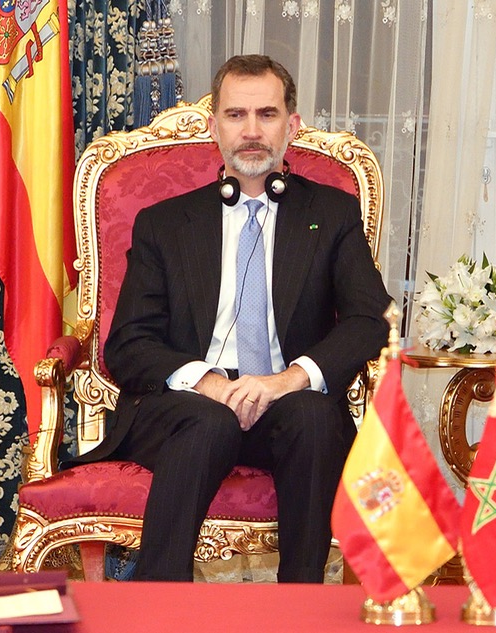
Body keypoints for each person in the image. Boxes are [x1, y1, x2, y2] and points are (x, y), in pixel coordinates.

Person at [73, 55, 391, 582]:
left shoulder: (331, 214)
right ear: (213, 125)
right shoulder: (164, 224)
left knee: (314, 417)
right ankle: (157, 600)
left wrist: (289, 379)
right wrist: (209, 383)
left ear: (292, 125)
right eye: (236, 115)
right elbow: (128, 344)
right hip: (185, 409)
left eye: (267, 114)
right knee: (209, 420)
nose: (251, 131)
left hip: (286, 402)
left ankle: (300, 603)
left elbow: (370, 319)